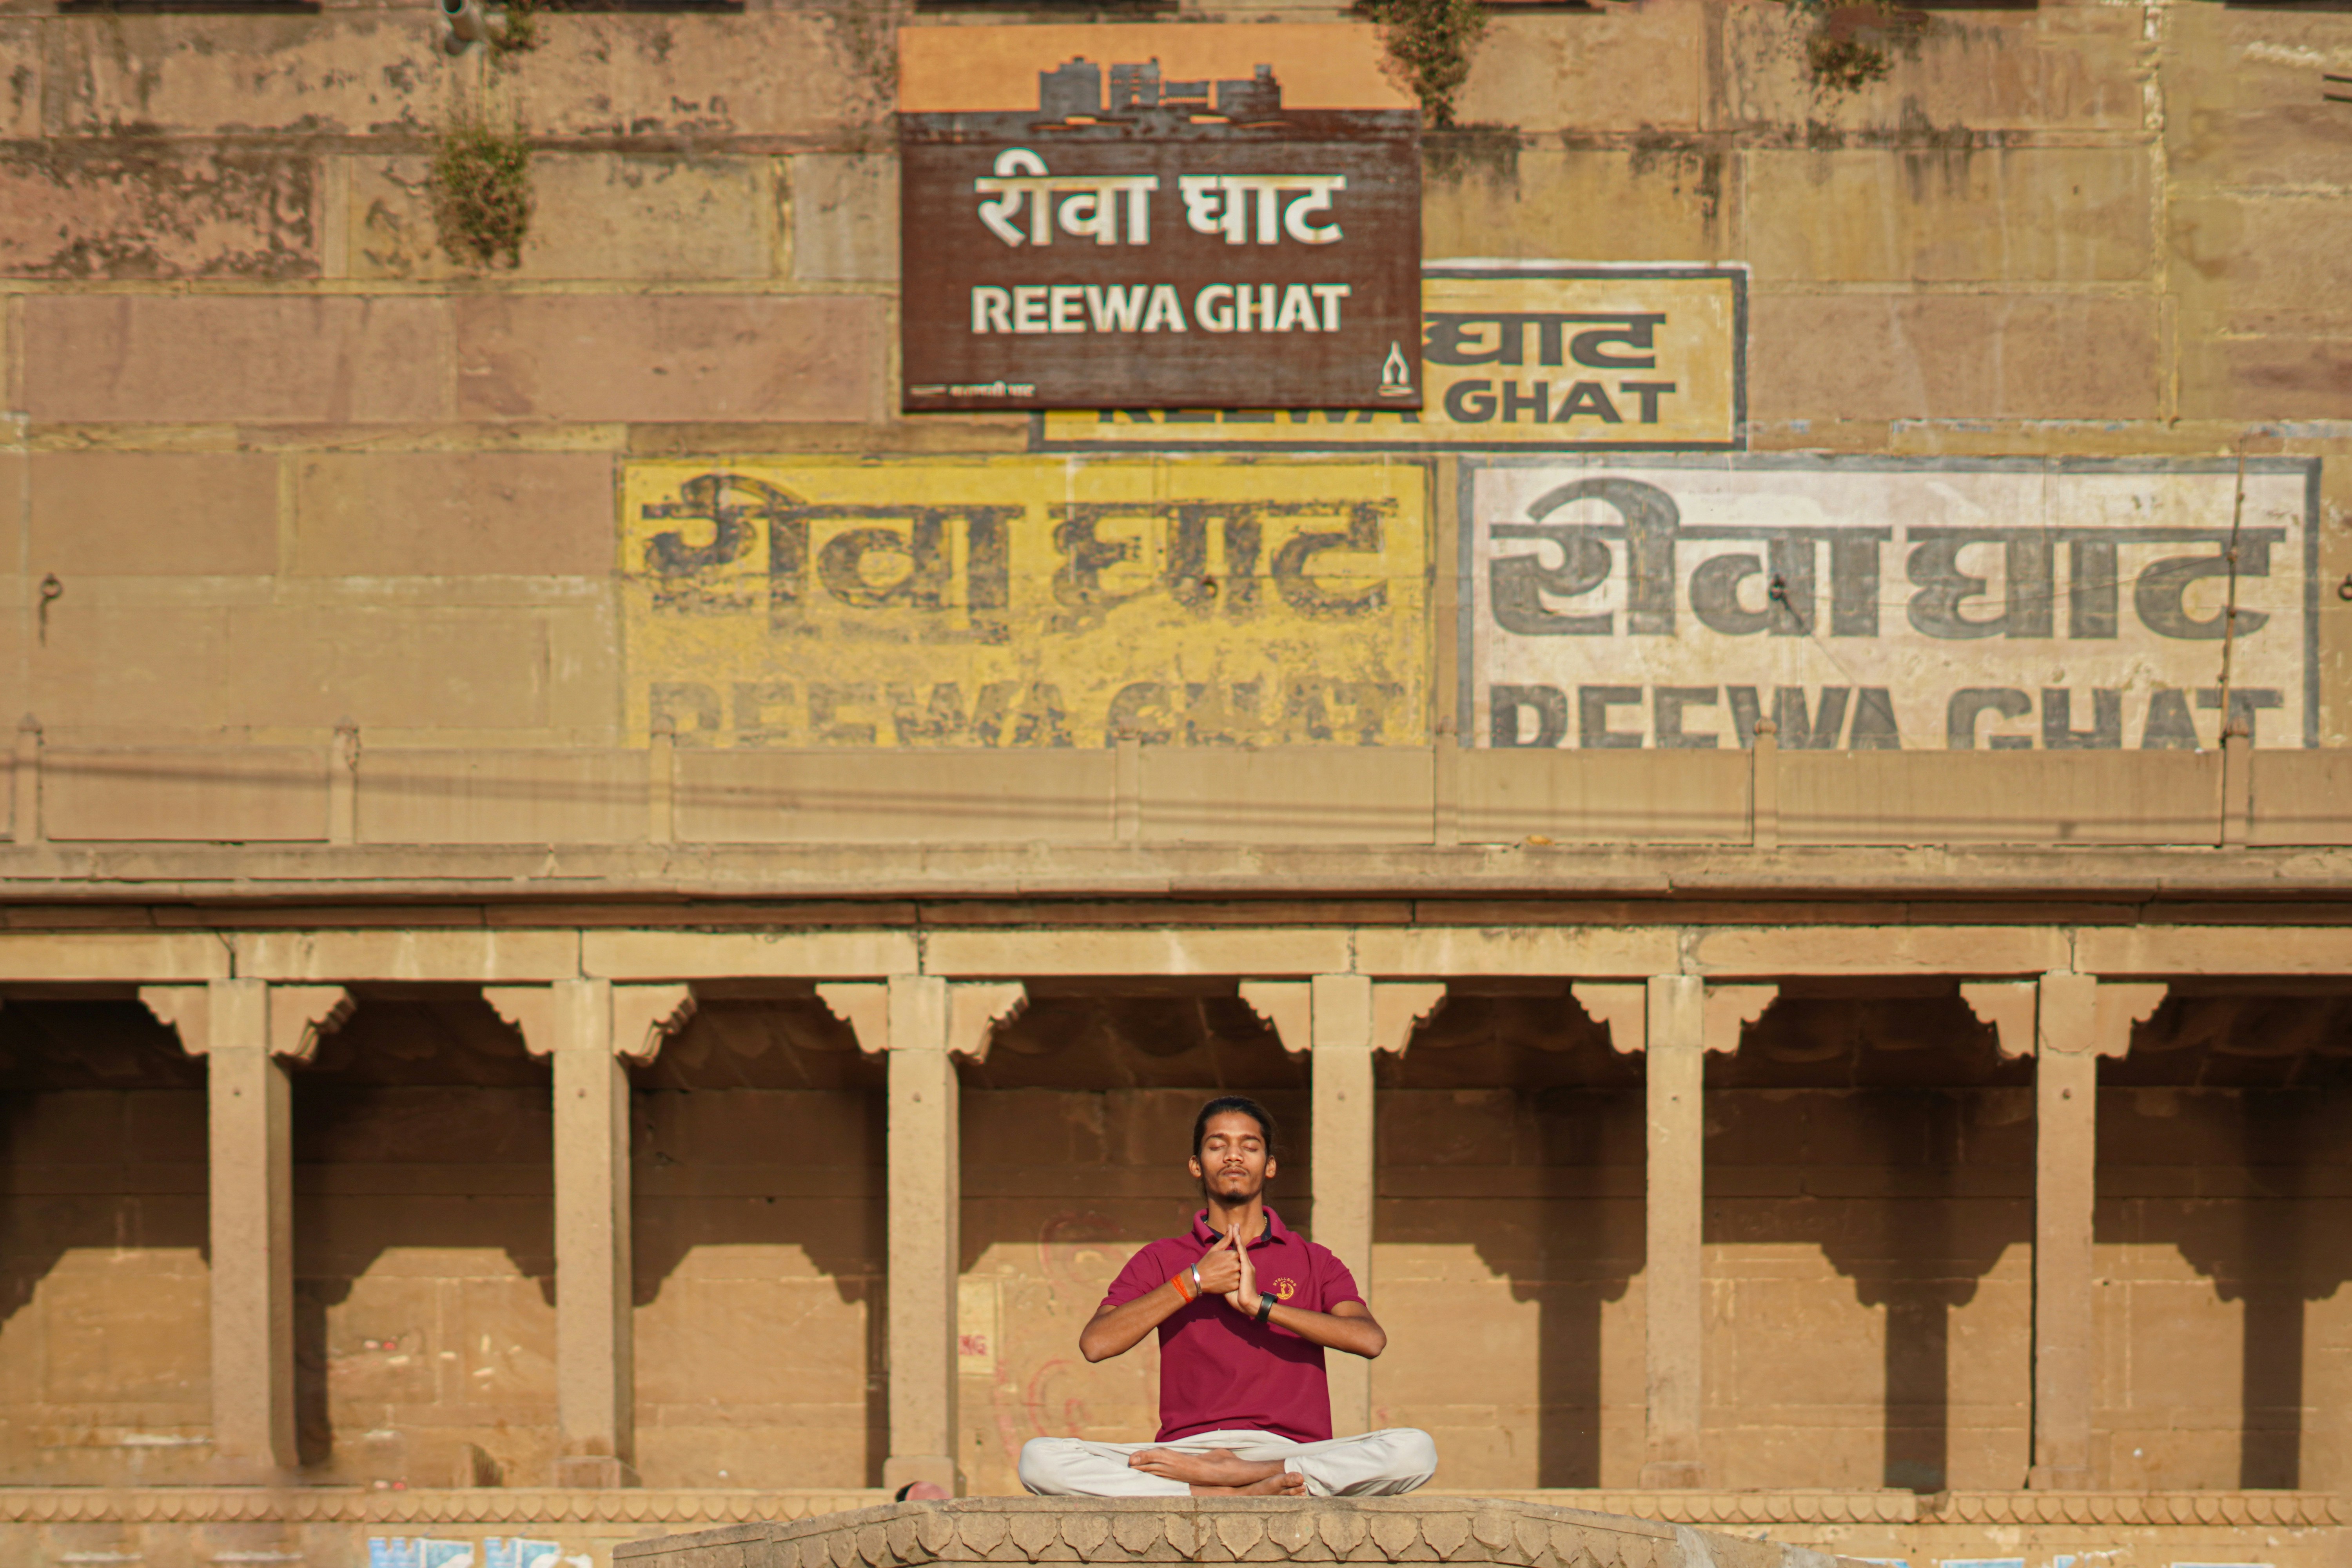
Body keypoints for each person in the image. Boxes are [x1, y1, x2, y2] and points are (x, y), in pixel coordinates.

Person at [1018, 1095, 1437, 1498]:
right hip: (1189, 1451)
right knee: (1040, 1460)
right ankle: (1205, 1485)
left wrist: (1262, 1306)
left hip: (1290, 1450)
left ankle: (1252, 1476)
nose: (1233, 1156)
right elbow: (1096, 1343)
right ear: (1197, 1165)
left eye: (1249, 1146)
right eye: (1217, 1145)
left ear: (1269, 1165)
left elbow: (1369, 1340)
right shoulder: (1162, 1259)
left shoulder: (1314, 1260)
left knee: (1414, 1450)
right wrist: (1194, 1281)